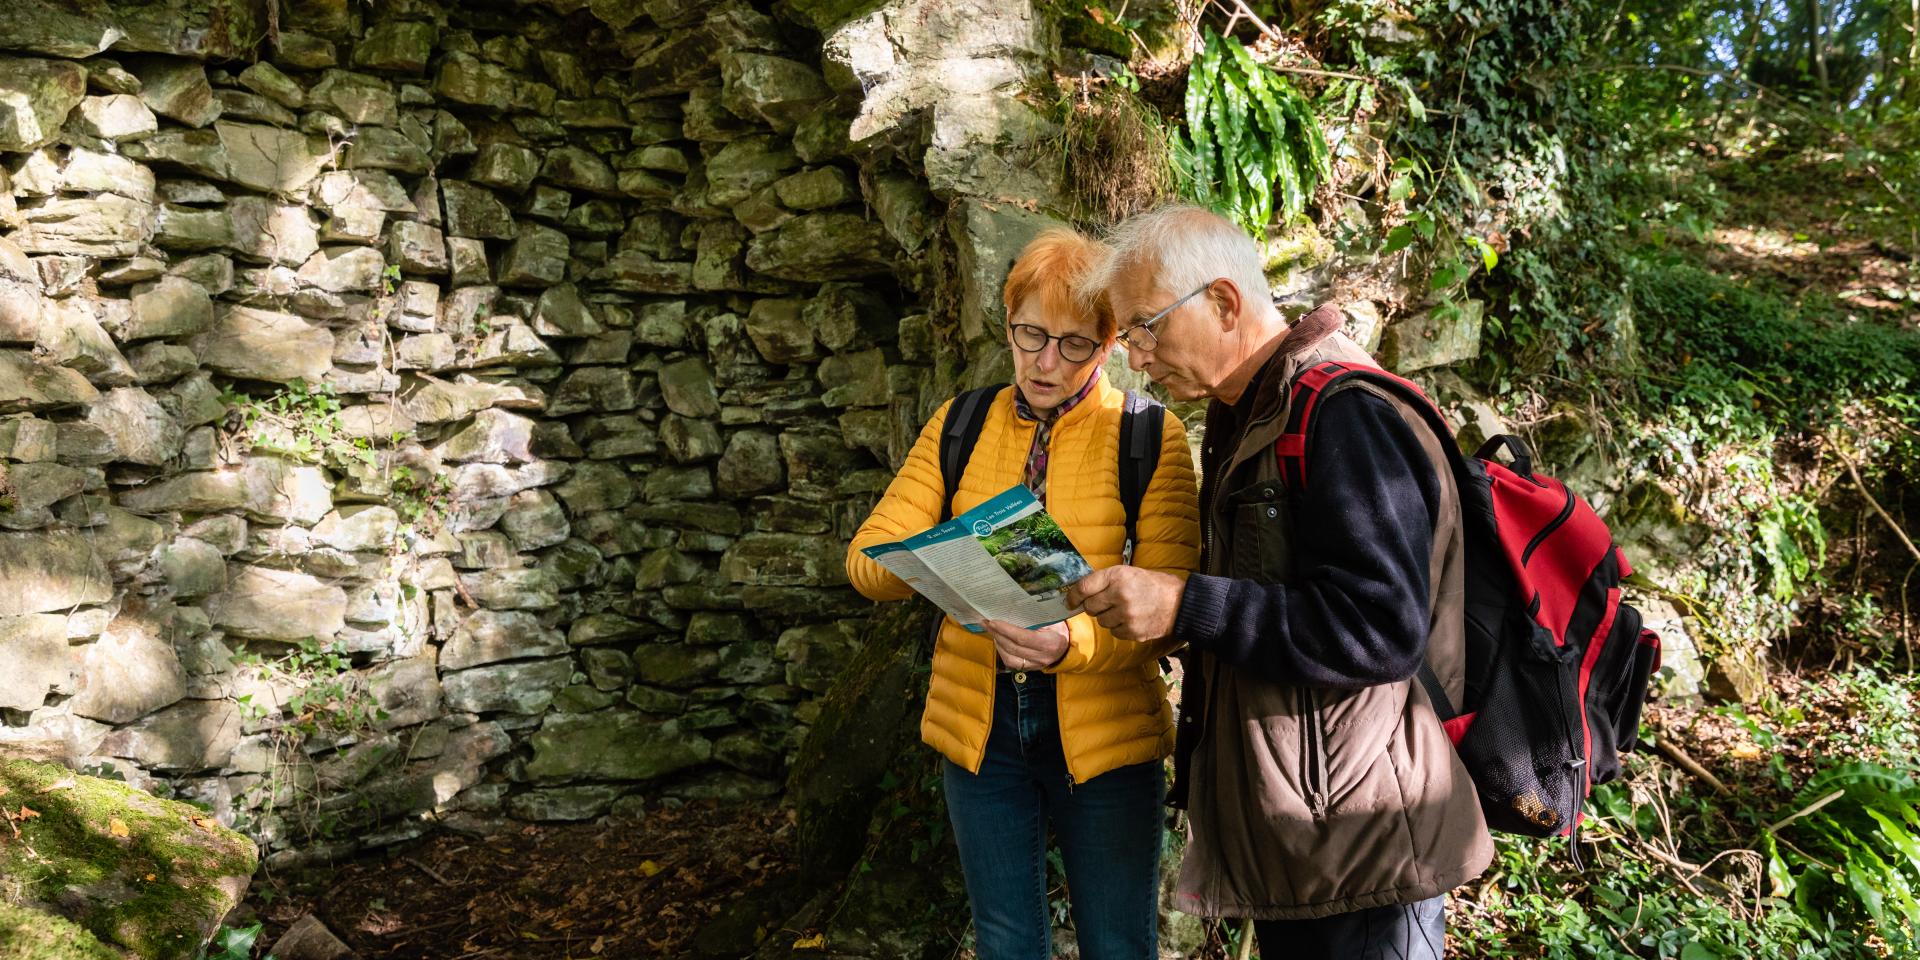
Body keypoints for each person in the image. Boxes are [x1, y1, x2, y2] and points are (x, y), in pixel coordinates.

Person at [1065, 205, 1493, 959]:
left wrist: (1186, 601)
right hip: (1312, 839)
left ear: (1225, 302)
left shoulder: (1343, 414)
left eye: (1145, 327)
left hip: (1369, 849)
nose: (1134, 355)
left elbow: (1381, 628)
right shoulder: (1252, 408)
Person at [846, 228, 1200, 959]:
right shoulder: (961, 423)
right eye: (1030, 333)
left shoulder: (1147, 436)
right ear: (1007, 323)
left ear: (1108, 345)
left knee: (1118, 943)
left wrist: (1071, 642)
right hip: (983, 732)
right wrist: (932, 563)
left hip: (1106, 733)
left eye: (1073, 344)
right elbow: (865, 561)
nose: (1044, 361)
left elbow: (1171, 608)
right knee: (1007, 942)